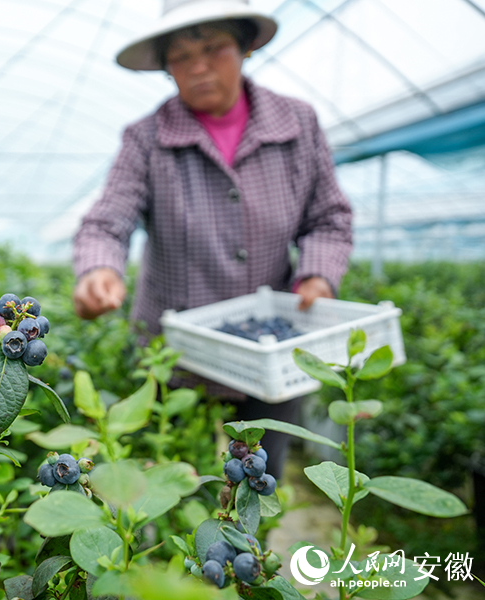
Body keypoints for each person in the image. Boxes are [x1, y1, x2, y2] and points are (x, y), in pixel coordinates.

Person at [72, 0, 353, 479]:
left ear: (244, 48)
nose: (199, 67)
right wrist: (98, 269)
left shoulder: (296, 124)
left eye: (214, 48)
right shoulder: (147, 138)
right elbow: (107, 220)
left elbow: (329, 218)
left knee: (257, 481)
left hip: (271, 348)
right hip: (175, 350)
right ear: (166, 69)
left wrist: (318, 276)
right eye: (181, 56)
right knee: (173, 478)